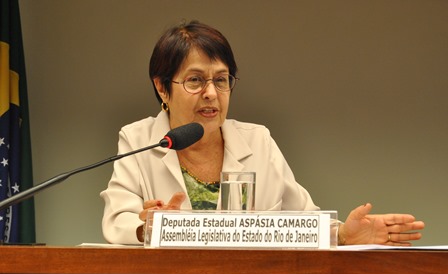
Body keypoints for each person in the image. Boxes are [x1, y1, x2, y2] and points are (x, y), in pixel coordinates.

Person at [101, 20, 424, 245]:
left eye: (222, 80)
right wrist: (150, 229)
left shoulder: (258, 141)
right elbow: (117, 221)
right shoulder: (138, 141)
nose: (212, 93)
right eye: (196, 80)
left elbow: (302, 219)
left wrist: (343, 236)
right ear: (162, 87)